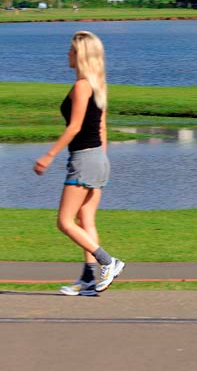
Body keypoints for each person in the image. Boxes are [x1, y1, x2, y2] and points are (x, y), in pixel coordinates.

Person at [33, 31, 126, 296]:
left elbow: (75, 127)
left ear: (80, 55)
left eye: (71, 50)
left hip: (85, 159)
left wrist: (48, 155)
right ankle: (88, 279)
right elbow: (103, 127)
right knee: (85, 218)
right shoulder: (98, 85)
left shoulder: (82, 86)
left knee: (64, 221)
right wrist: (102, 160)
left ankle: (108, 262)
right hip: (98, 158)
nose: (67, 54)